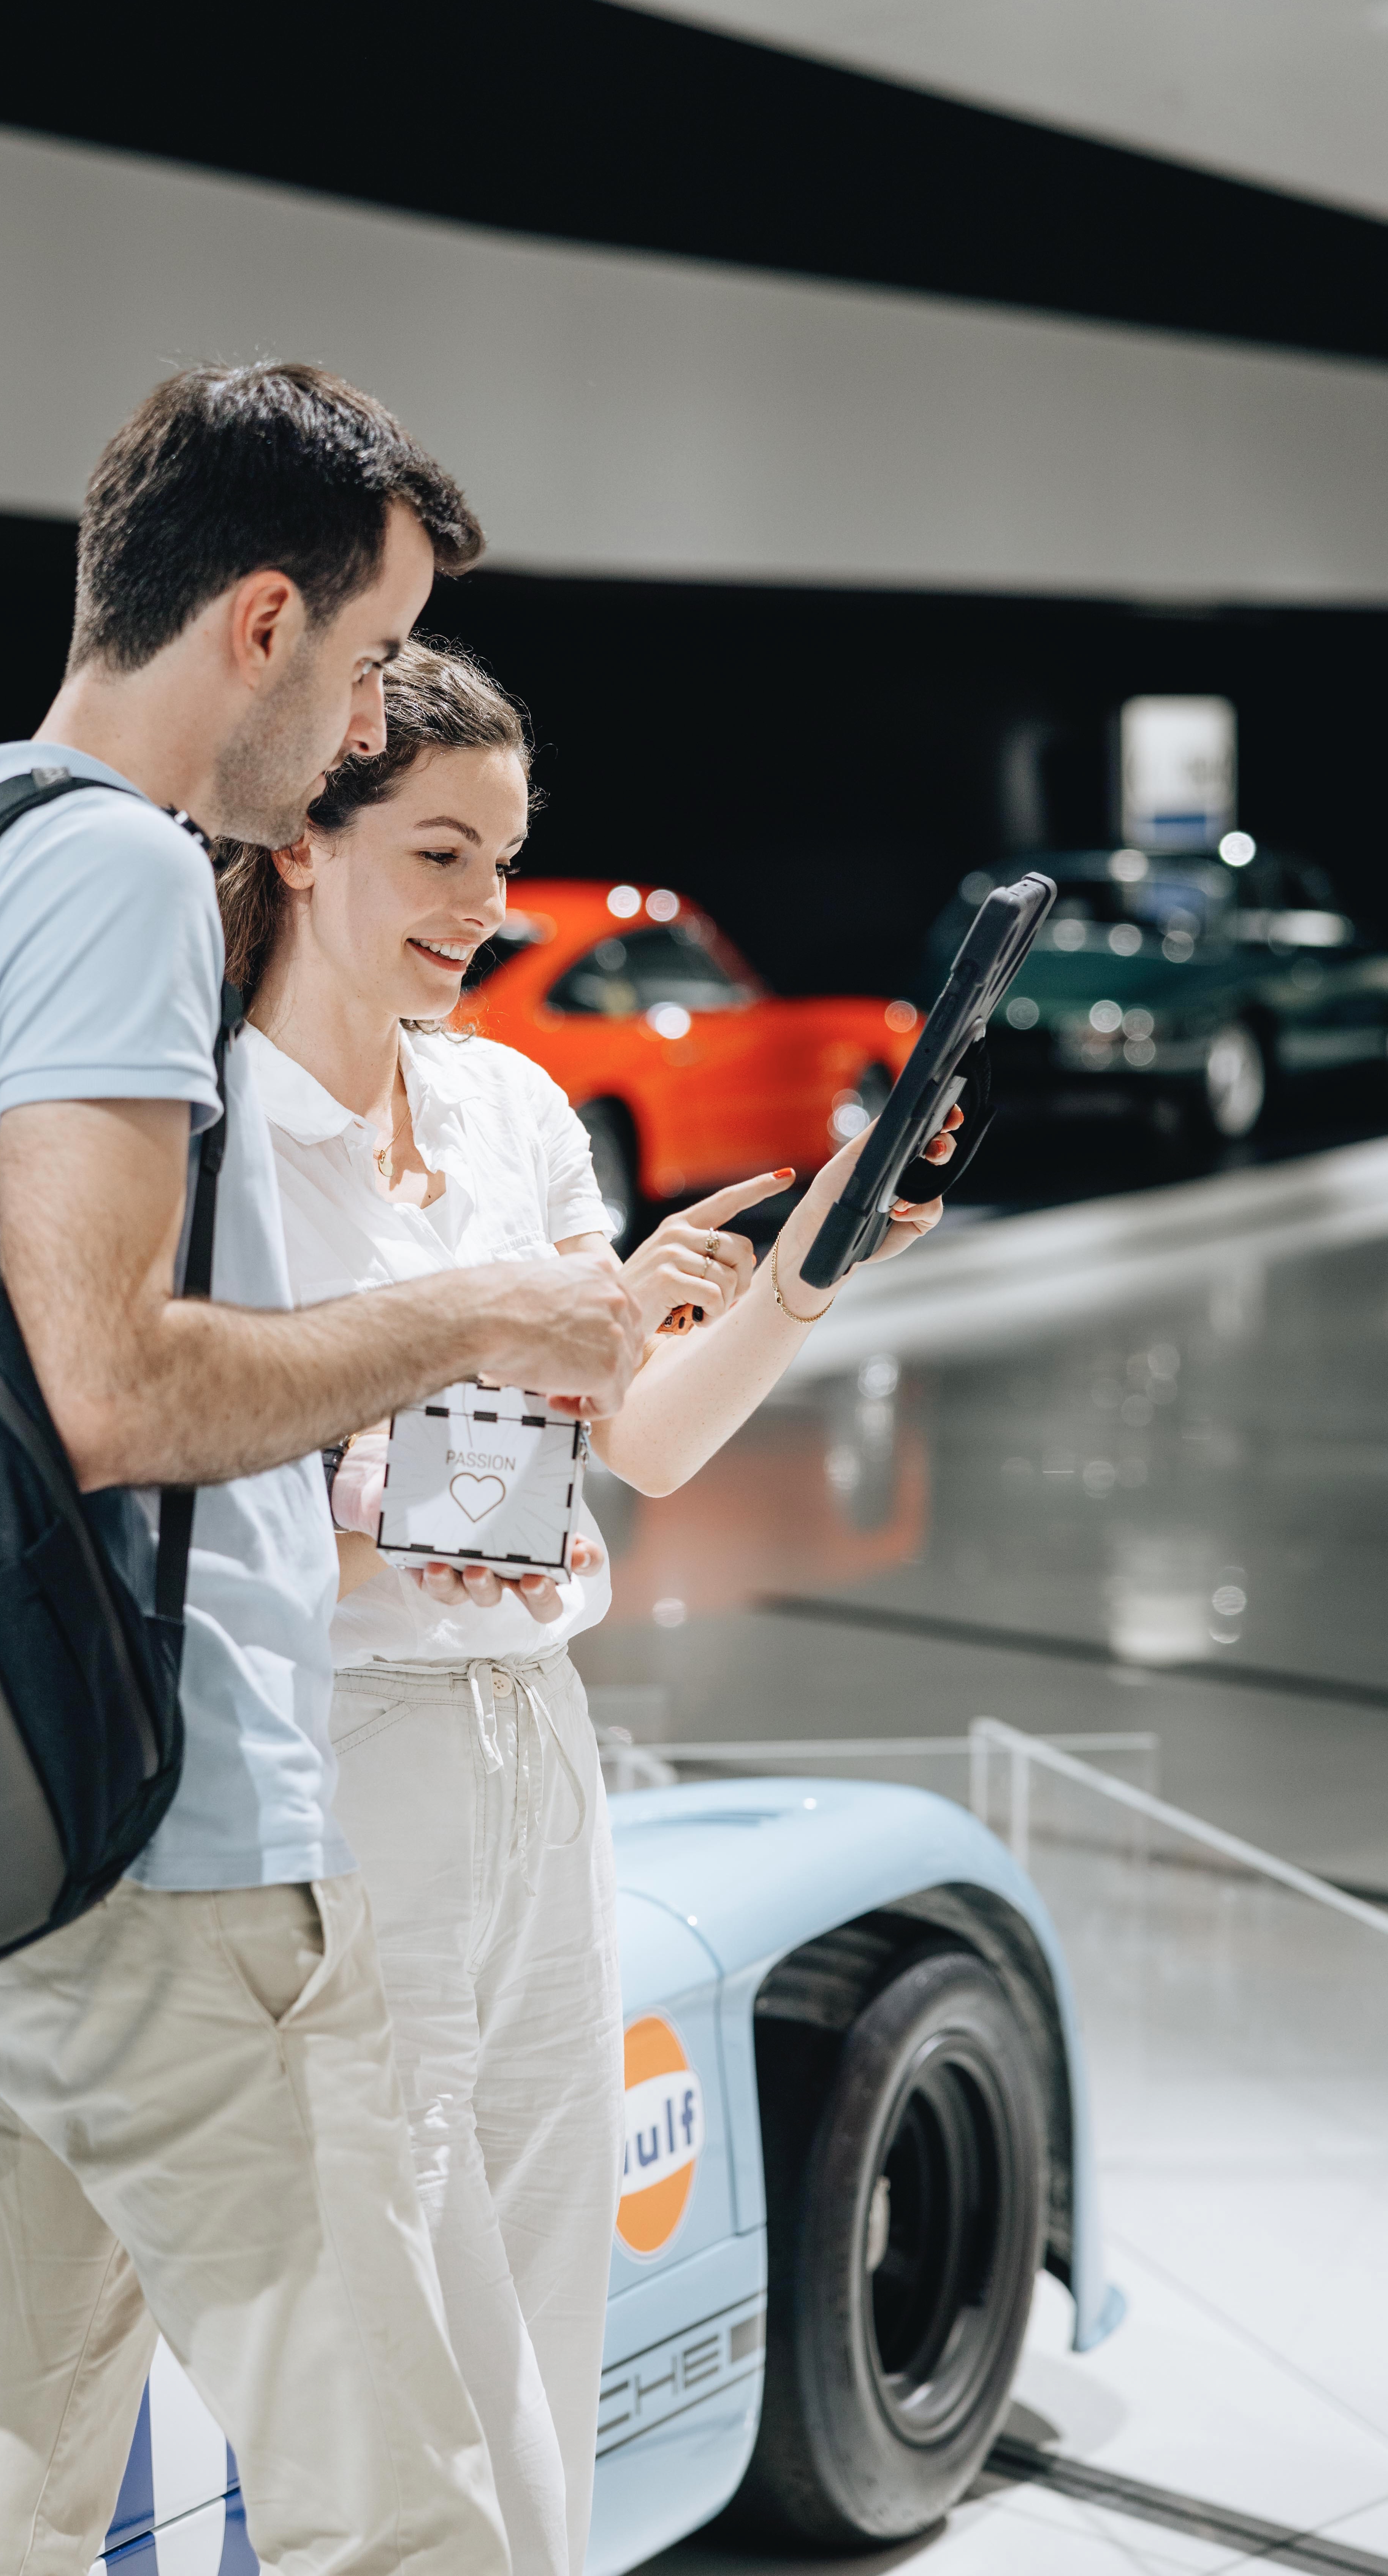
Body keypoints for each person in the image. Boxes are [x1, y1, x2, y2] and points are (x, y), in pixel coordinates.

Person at [0, 364, 648, 2576]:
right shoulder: (114, 869)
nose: (369, 707)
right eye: (375, 655)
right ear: (268, 619)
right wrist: (486, 1315)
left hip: (7, 1832)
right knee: (417, 2517)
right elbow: (104, 1382)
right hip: (180, 1856)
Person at [219, 637, 955, 2576]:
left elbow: (638, 1445)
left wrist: (803, 1270)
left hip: (539, 1740)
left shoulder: (513, 1113)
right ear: (309, 836)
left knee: (543, 2291)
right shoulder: (214, 1144)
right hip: (344, 1774)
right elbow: (189, 1478)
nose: (486, 907)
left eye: (508, 858)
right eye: (444, 855)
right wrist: (396, 1534)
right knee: (417, 2347)